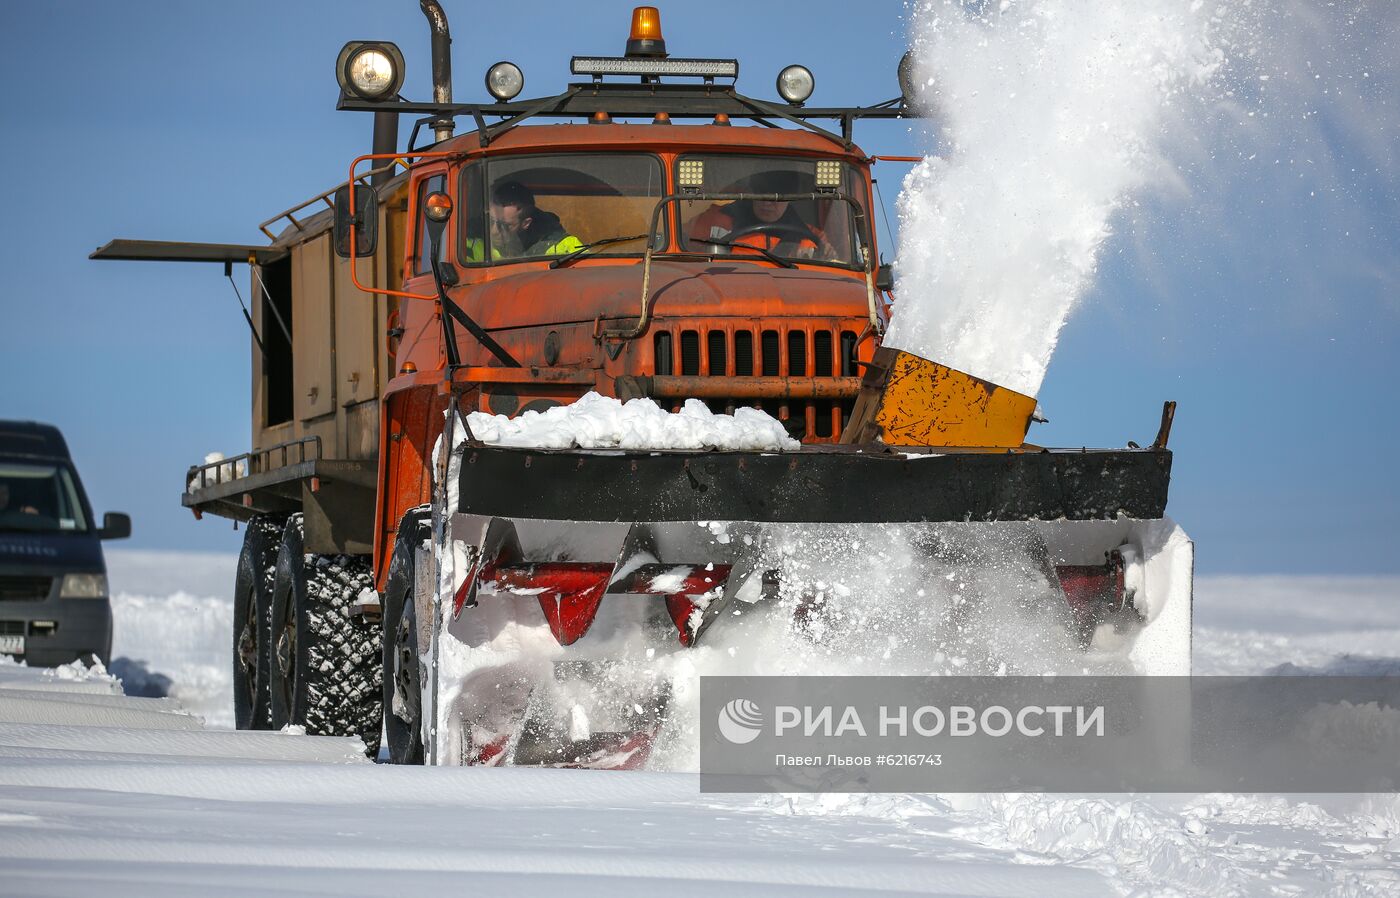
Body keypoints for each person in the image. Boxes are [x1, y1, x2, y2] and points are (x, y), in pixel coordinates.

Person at [687, 172, 833, 260]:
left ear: (790, 199)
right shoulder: (716, 220)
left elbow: (829, 270)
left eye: (776, 197)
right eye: (761, 194)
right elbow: (687, 255)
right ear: (752, 193)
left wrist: (828, 254)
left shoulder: (812, 237)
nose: (766, 203)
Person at [486, 180, 583, 259]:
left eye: (505, 226)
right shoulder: (474, 244)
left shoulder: (563, 247)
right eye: (490, 221)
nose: (493, 231)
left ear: (526, 223)